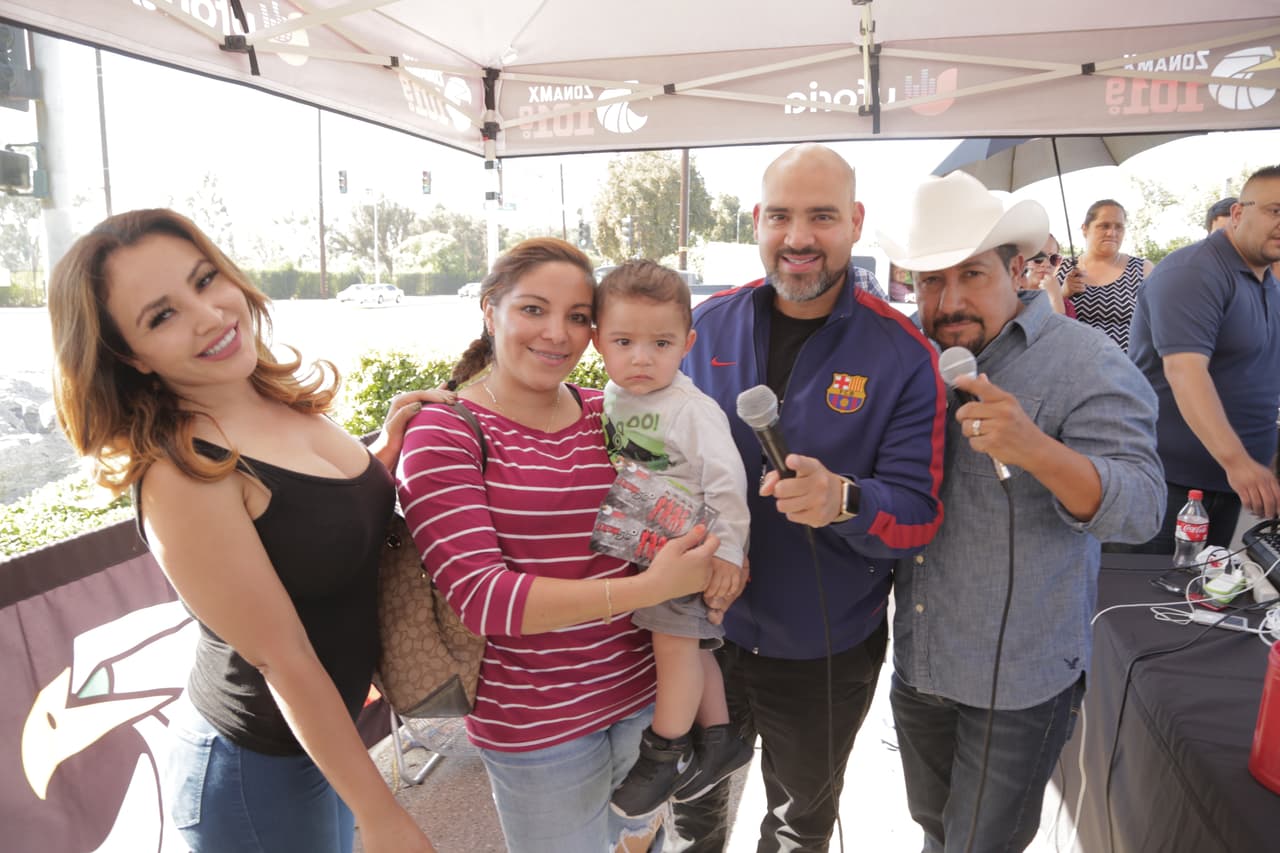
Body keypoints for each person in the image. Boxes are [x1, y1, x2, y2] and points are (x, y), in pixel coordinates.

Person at [46, 209, 439, 853]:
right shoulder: (182, 474)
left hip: (324, 744)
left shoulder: (268, 397)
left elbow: (314, 522)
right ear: (129, 356)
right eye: (162, 315)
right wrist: (384, 817)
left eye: (204, 280)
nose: (208, 315)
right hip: (257, 775)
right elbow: (280, 659)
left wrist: (385, 452)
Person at [394, 238, 722, 853]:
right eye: (534, 309)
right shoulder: (446, 431)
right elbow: (484, 599)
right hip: (537, 726)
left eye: (578, 317)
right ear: (490, 310)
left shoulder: (611, 414)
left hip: (645, 701)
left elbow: (672, 519)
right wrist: (649, 589)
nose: (557, 334)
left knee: (636, 843)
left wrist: (715, 550)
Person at [670, 143, 946, 852]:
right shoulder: (701, 327)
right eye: (782, 216)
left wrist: (845, 500)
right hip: (700, 635)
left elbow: (918, 516)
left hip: (824, 647)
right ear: (758, 221)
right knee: (691, 813)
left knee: (800, 825)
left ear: (854, 222)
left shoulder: (905, 353)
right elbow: (615, 416)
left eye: (821, 216)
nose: (798, 237)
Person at [879, 171, 1164, 853]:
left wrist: (1037, 449)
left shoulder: (1085, 359)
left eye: (970, 275)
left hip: (1021, 678)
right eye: (929, 280)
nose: (948, 301)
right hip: (922, 663)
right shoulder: (912, 360)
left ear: (1017, 268)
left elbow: (1143, 507)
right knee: (937, 831)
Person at [592, 260, 753, 819]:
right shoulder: (610, 399)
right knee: (693, 645)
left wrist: (729, 554)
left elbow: (729, 483)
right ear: (597, 342)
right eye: (624, 341)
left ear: (686, 343)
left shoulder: (690, 408)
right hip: (647, 547)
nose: (641, 357)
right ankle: (720, 736)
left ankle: (666, 752)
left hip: (687, 549)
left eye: (660, 343)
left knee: (674, 645)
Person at [1127, 167, 1280, 552]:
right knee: (1146, 604)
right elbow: (1184, 372)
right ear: (1238, 214)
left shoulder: (1265, 280)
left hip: (1229, 485)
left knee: (1200, 600)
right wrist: (1239, 462)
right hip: (1169, 484)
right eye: (1275, 210)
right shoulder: (1193, 272)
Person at [1056, 199, 1153, 351]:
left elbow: (1160, 321)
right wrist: (1062, 294)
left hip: (1129, 368)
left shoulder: (1142, 269)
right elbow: (1042, 321)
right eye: (1104, 226)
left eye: (1119, 227)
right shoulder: (1062, 268)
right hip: (1075, 366)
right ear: (1085, 228)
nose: (1112, 233)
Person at [1019, 233, 1075, 317]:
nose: (1046, 264)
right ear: (1023, 260)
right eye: (1038, 257)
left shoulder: (1064, 303)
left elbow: (1065, 329)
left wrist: (1056, 300)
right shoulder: (1012, 297)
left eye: (1053, 259)